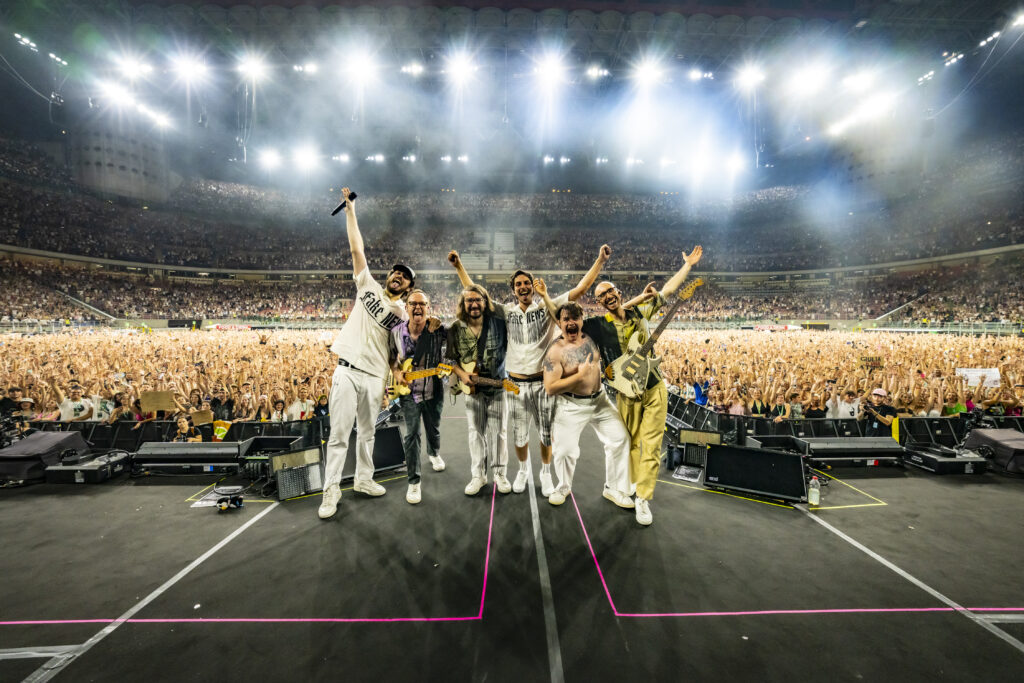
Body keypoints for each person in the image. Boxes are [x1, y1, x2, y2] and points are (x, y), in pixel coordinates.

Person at [448, 244, 611, 497]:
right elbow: (477, 293)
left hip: (542, 382)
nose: (523, 287)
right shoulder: (506, 311)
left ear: (533, 286)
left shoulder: (548, 307)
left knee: (546, 434)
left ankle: (545, 472)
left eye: (527, 283)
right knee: (519, 434)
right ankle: (523, 469)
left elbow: (580, 290)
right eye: (518, 285)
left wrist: (600, 260)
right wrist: (459, 266)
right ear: (513, 290)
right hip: (515, 383)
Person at [582, 246, 703, 526]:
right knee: (632, 444)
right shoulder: (599, 325)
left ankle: (643, 498)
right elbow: (568, 321)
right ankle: (633, 485)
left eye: (611, 292)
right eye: (602, 296)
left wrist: (687, 266)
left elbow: (669, 291)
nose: (608, 297)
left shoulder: (640, 312)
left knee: (651, 445)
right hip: (625, 395)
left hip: (654, 387)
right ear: (599, 302)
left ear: (618, 292)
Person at [319, 187, 412, 520]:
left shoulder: (402, 315)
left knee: (368, 433)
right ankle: (330, 491)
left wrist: (393, 376)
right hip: (346, 369)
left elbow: (397, 352)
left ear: (409, 289)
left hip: (374, 377)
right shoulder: (368, 285)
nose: (398, 277)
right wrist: (350, 211)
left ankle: (363, 480)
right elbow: (356, 247)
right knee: (340, 435)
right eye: (396, 273)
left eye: (404, 277)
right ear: (389, 276)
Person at [542, 302, 633, 511]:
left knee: (620, 439)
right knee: (564, 451)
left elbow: (620, 308)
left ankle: (613, 488)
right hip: (571, 404)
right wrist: (580, 375)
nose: (571, 323)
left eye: (575, 319)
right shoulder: (555, 351)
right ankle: (563, 487)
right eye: (566, 319)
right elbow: (550, 387)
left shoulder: (592, 335)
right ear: (560, 323)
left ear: (582, 320)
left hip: (600, 401)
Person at [446, 283, 512, 496]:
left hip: (498, 387)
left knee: (499, 433)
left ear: (485, 302)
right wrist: (462, 374)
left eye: (478, 300)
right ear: (463, 304)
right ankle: (478, 475)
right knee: (475, 433)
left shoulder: (500, 324)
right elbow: (450, 359)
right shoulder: (456, 327)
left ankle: (500, 474)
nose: (473, 304)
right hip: (471, 390)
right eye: (469, 300)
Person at [390, 289, 447, 505]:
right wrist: (397, 373)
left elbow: (456, 342)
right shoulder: (396, 332)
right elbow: (392, 358)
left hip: (433, 389)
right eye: (413, 303)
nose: (417, 307)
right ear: (406, 308)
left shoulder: (438, 331)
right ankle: (414, 482)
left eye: (422, 304)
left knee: (433, 427)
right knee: (411, 434)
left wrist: (440, 322)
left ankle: (434, 452)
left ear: (428, 308)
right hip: (409, 393)